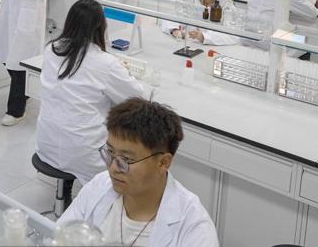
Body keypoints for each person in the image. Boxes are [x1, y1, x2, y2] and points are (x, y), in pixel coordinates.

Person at [59, 98, 218, 247]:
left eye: (126, 159)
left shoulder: (195, 229)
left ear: (163, 162)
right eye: (110, 152)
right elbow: (61, 237)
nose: (113, 168)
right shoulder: (99, 186)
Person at [36, 0, 147, 184]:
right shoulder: (104, 63)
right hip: (84, 154)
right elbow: (137, 96)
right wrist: (123, 72)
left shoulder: (52, 49)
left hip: (47, 144)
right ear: (100, 27)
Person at [162, 0, 239, 46]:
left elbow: (233, 36)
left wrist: (203, 37)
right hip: (190, 45)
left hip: (213, 50)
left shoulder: (227, 7)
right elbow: (172, 17)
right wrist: (174, 30)